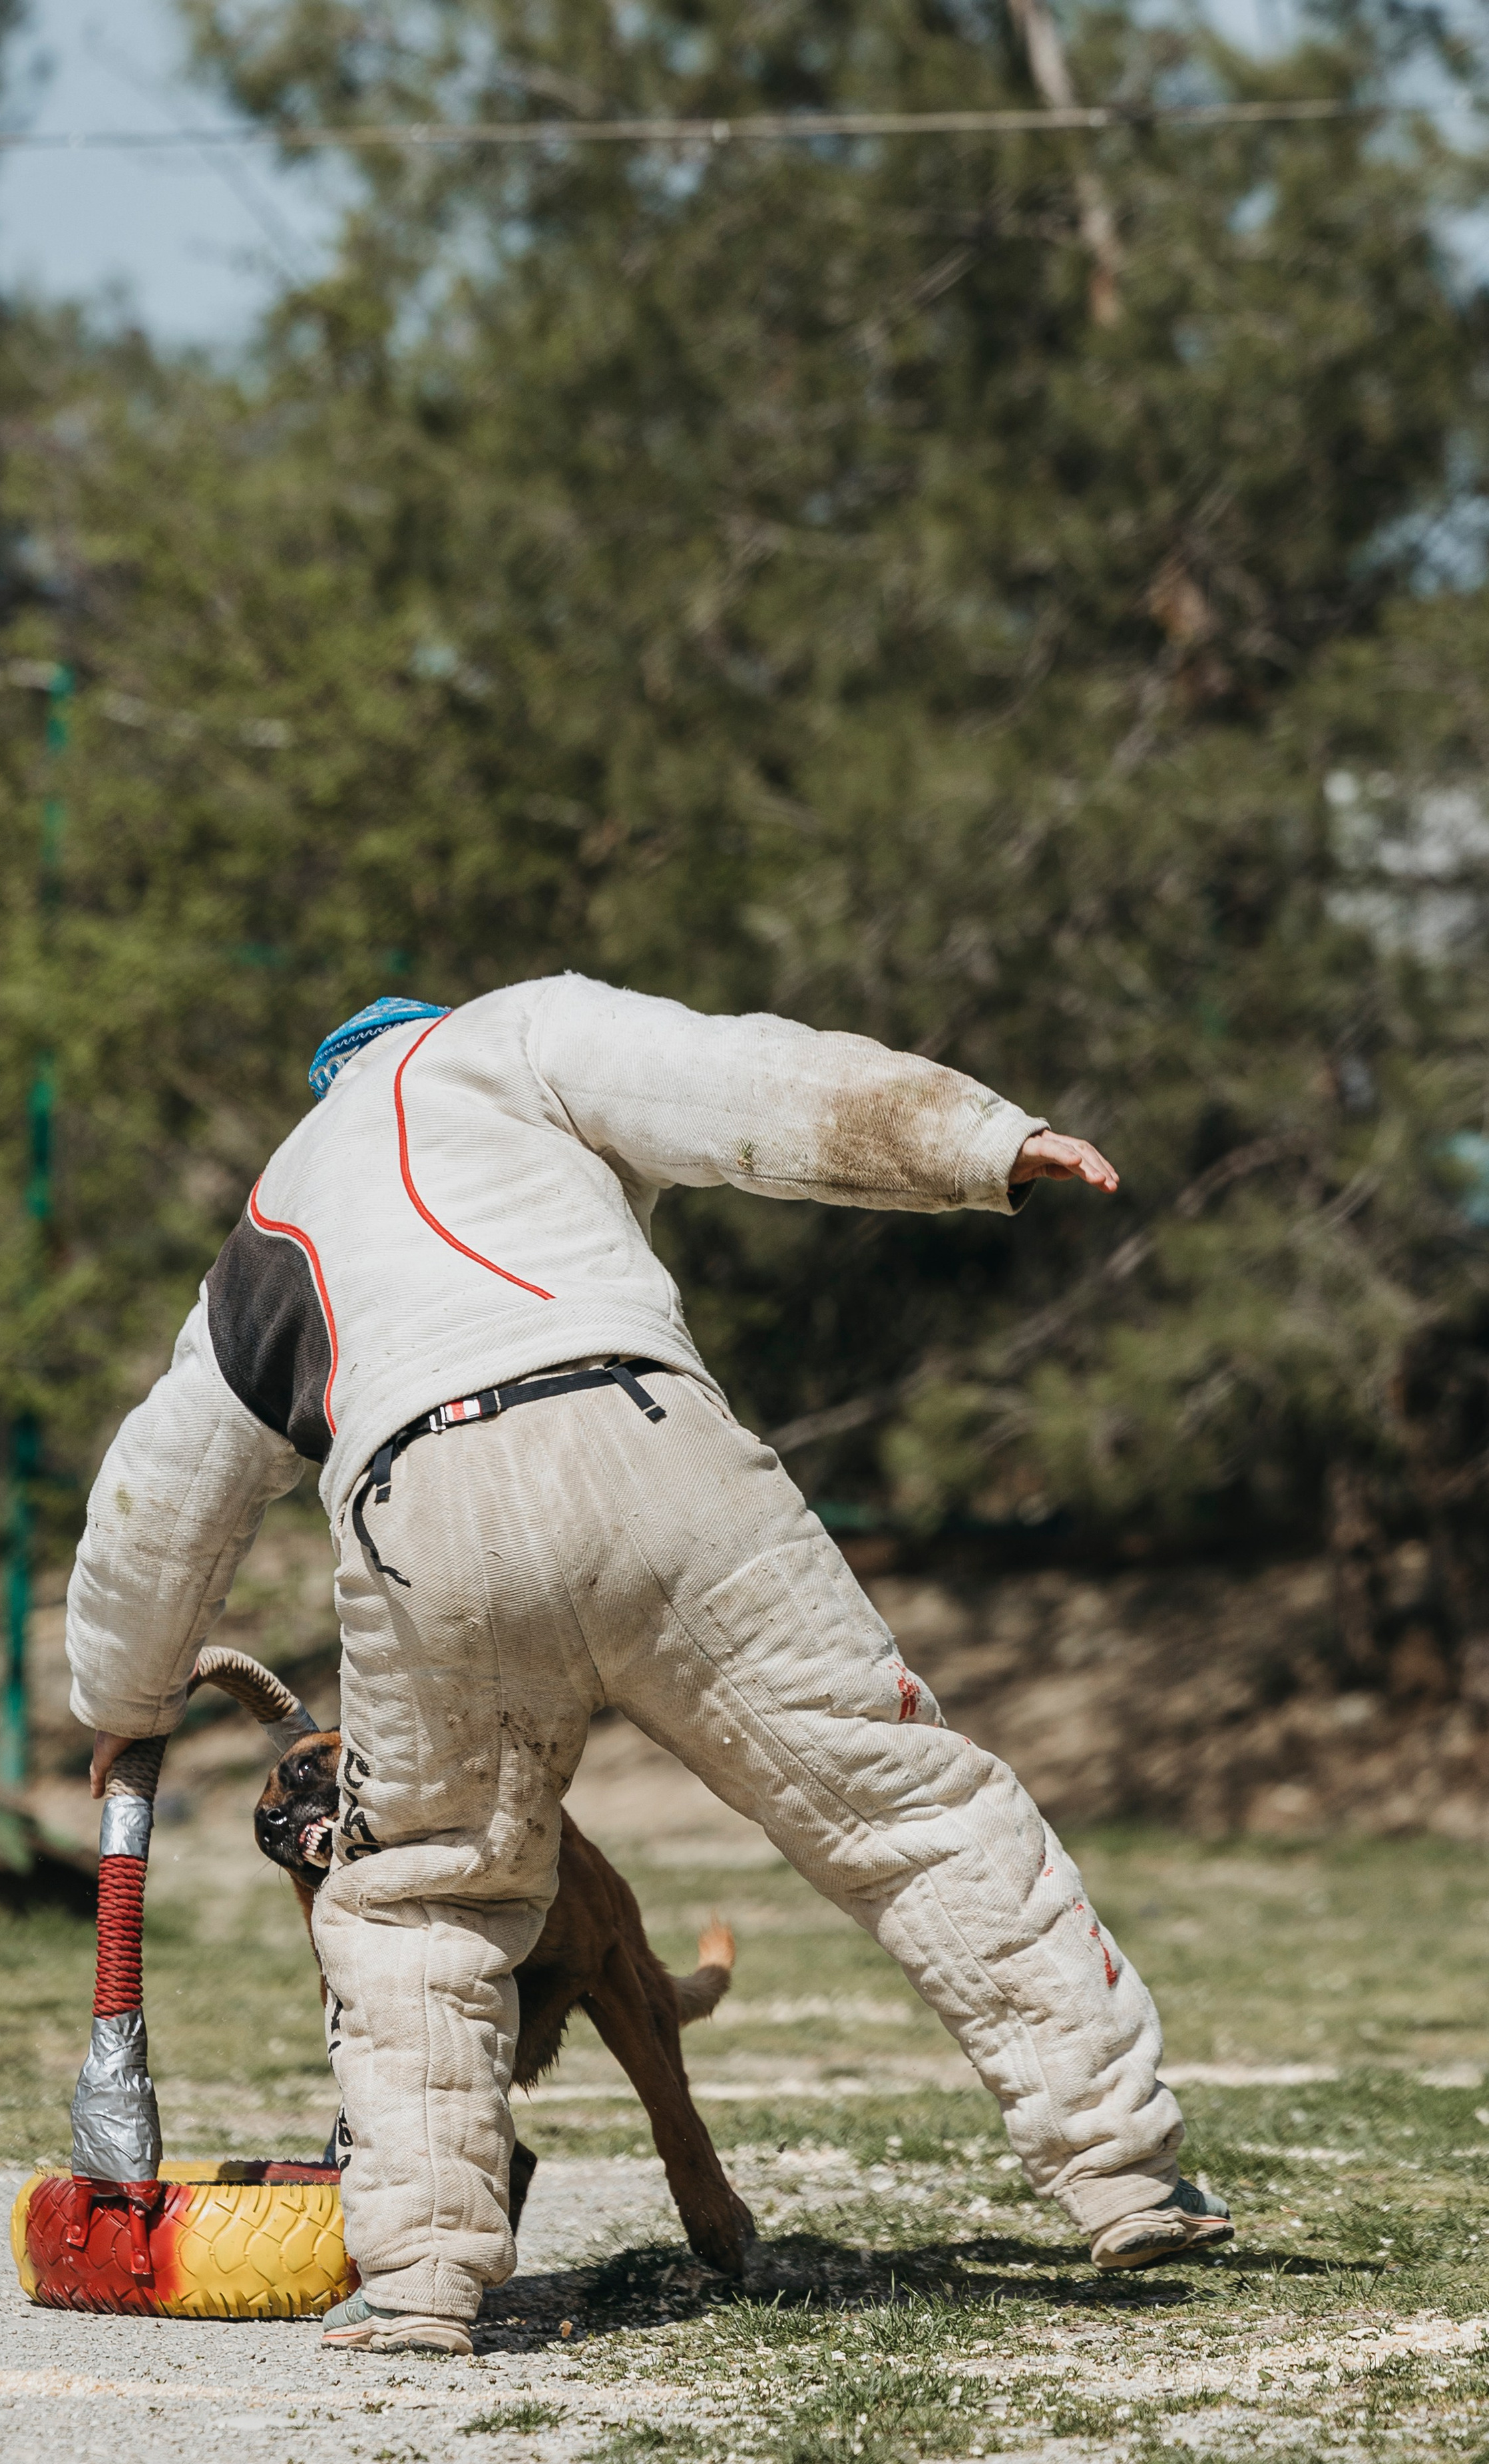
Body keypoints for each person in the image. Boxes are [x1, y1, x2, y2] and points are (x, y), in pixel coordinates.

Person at [69, 977, 1230, 2357]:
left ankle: (424, 2276)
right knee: (905, 1809)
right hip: (650, 1442)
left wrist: (123, 1702)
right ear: (421, 1031)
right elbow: (735, 1082)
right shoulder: (513, 1033)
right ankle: (1122, 2168)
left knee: (415, 1900)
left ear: (331, 1084)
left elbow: (159, 1495)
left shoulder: (265, 1232)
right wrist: (974, 1140)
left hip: (418, 1501)